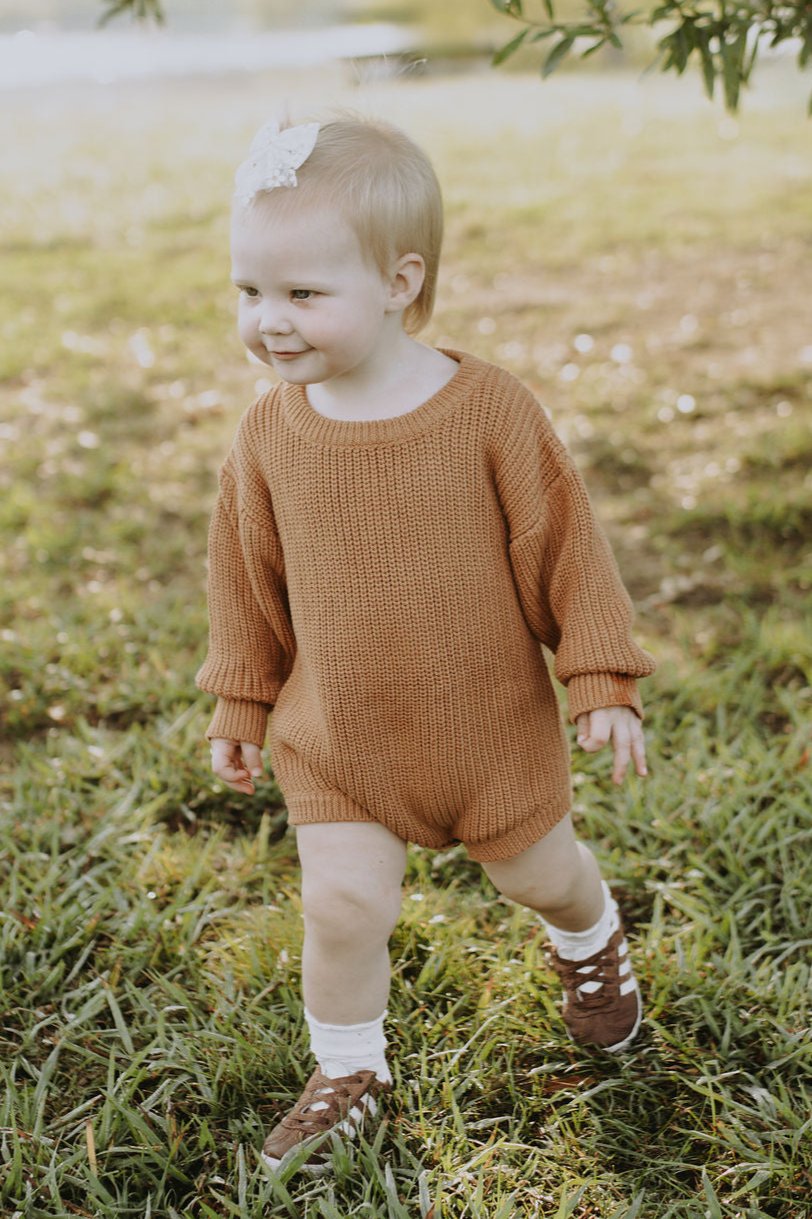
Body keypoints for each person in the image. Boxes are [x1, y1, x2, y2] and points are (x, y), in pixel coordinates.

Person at [196, 114, 656, 1174]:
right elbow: (245, 584)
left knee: (541, 876)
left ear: (400, 281)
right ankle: (349, 1068)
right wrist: (242, 700)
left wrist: (598, 673)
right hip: (340, 737)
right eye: (248, 290)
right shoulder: (268, 434)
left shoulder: (485, 410)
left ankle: (589, 940)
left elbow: (565, 546)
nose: (269, 321)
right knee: (341, 904)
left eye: (302, 293)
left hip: (487, 732)